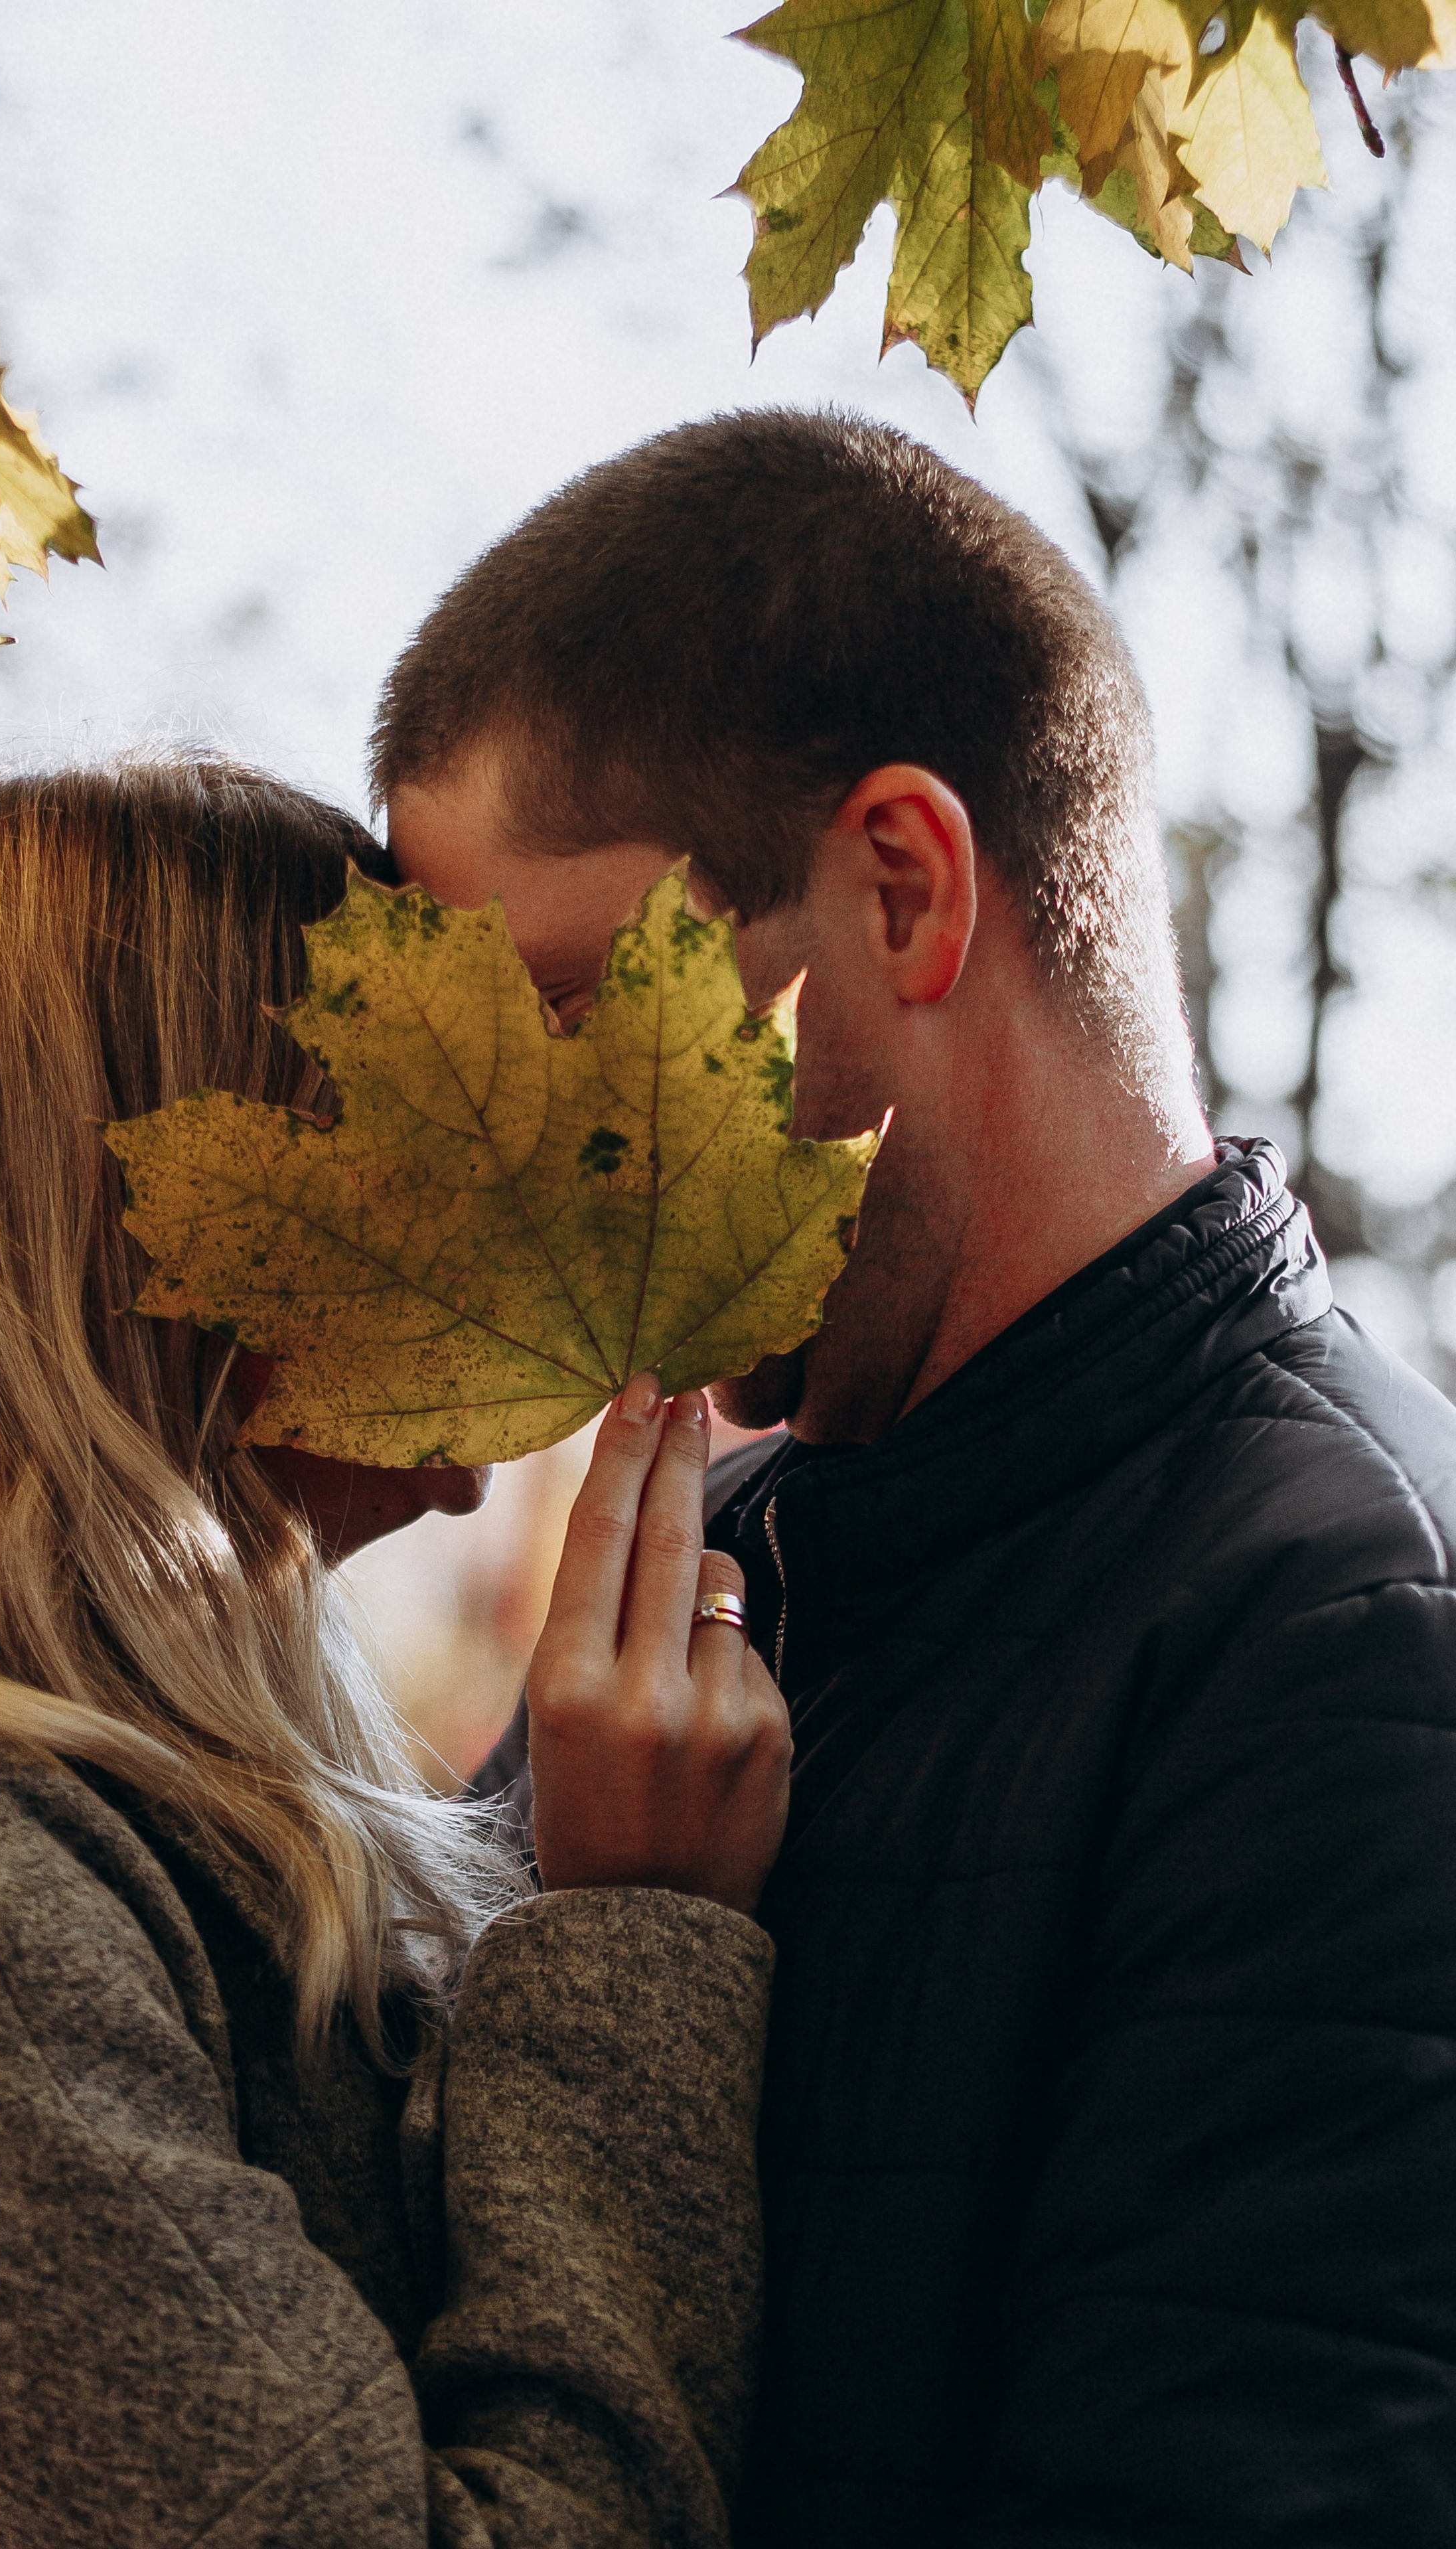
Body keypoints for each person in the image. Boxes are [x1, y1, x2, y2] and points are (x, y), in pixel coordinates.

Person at [376, 410, 1456, 2546]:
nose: (535, 1172)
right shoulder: (717, 1590)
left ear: (903, 887)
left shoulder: (1359, 1646)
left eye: (581, 1020)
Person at [0, 759, 792, 2549]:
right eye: (431, 1148)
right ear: (142, 1227)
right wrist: (630, 1946)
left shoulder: (92, 1795)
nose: (531, 1225)